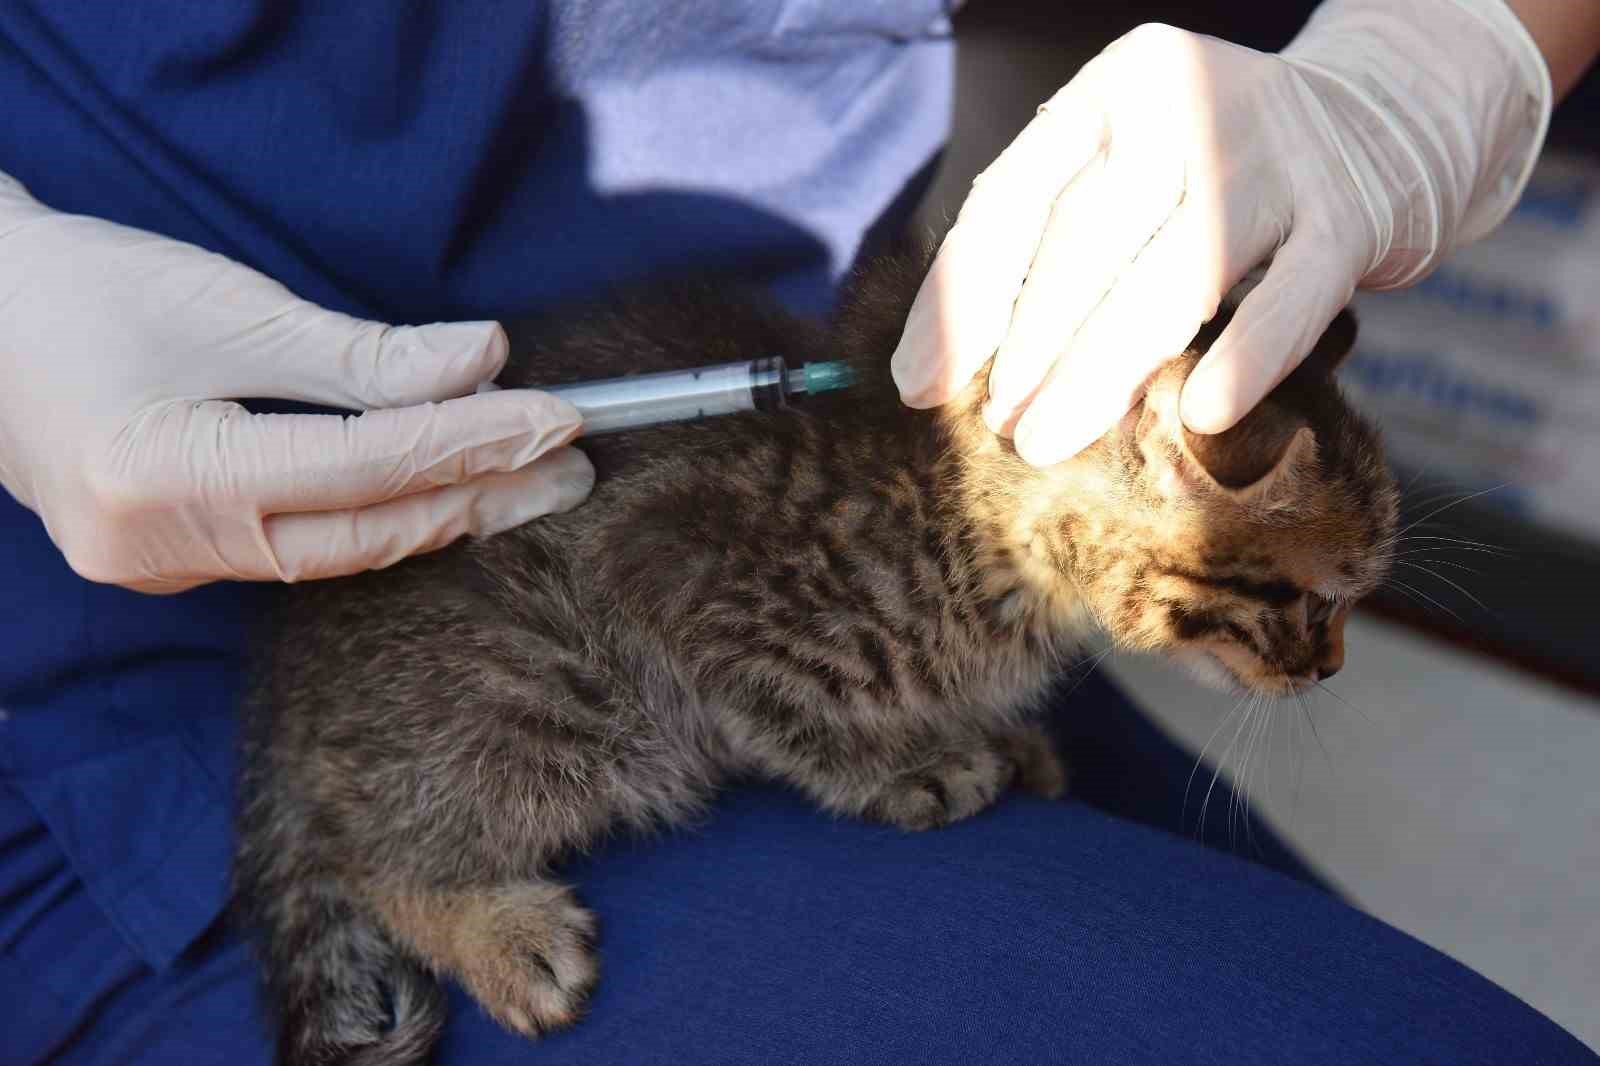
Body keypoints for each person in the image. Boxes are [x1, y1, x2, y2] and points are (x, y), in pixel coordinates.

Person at [0, 2, 1596, 1063]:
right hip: (142, 675)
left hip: (752, 384)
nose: (1320, 660)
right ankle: (409, 885)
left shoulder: (991, 564)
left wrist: (1447, 53)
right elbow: (699, 585)